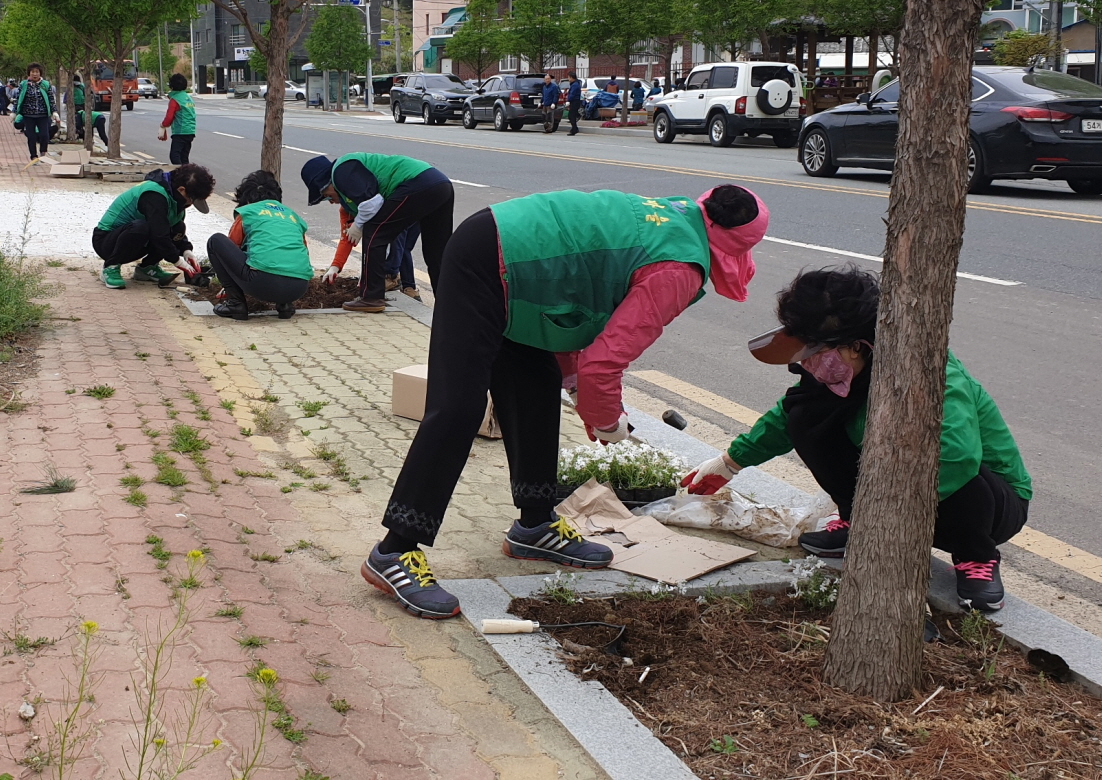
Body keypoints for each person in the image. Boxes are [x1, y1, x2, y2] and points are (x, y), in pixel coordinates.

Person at [360, 184, 770, 619]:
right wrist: (610, 423)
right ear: (734, 250)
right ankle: (394, 551)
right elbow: (605, 362)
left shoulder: (676, 216)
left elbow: (581, 298)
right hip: (486, 259)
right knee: (458, 406)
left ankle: (534, 525)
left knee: (536, 385)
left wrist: (577, 388)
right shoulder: (679, 267)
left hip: (519, 269)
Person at [680, 267, 1031, 612]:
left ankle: (976, 558)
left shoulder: (928, 374)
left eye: (815, 353)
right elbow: (786, 419)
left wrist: (880, 520)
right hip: (893, 504)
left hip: (985, 503)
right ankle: (853, 523)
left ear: (855, 346)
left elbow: (956, 458)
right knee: (806, 415)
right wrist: (730, 463)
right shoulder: (840, 373)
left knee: (955, 467)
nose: (807, 364)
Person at [300, 152, 453, 314]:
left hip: (417, 183)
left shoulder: (340, 172)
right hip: (440, 184)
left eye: (325, 195)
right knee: (437, 254)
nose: (330, 201)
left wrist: (359, 225)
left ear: (326, 183)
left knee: (374, 232)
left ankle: (371, 298)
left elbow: (373, 204)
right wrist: (338, 266)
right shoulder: (352, 184)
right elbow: (361, 234)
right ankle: (450, 306)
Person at [206, 170, 313, 321]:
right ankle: (285, 306)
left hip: (263, 284)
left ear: (245, 198)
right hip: (298, 288)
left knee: (215, 241)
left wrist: (228, 285)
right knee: (283, 253)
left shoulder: (248, 212)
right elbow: (303, 252)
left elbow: (232, 250)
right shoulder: (292, 216)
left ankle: (235, 304)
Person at [92, 163, 215, 290]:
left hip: (134, 239)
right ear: (182, 190)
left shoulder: (175, 198)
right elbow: (159, 234)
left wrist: (186, 250)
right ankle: (110, 267)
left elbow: (170, 228)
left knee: (178, 227)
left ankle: (147, 268)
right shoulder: (154, 195)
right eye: (191, 199)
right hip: (106, 241)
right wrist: (177, 261)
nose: (190, 204)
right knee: (141, 227)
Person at [15, 64, 54, 160]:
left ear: (40, 73)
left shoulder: (46, 84)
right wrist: (14, 112)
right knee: (31, 136)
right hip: (28, 115)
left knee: (44, 135)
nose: (35, 74)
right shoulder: (24, 84)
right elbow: (18, 99)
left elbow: (51, 99)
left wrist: (54, 112)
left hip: (43, 114)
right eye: (32, 72)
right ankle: (33, 156)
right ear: (29, 73)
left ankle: (43, 152)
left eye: (37, 72)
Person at [158, 73, 196, 165]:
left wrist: (163, 126)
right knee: (184, 157)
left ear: (171, 86)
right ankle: (187, 176)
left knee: (175, 156)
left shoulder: (175, 99)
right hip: (190, 131)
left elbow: (169, 117)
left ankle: (181, 175)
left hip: (180, 131)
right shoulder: (188, 98)